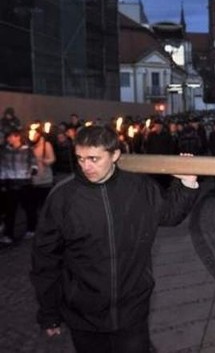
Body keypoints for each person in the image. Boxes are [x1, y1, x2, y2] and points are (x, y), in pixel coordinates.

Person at [30, 125, 200, 353]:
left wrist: (186, 182)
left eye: (94, 158)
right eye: (80, 158)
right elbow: (45, 260)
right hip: (84, 314)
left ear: (115, 155)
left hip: (132, 310)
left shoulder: (138, 187)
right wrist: (49, 312)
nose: (85, 166)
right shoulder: (63, 197)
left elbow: (169, 215)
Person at [0, 128, 37, 244]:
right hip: (11, 183)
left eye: (11, 137)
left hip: (25, 183)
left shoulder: (27, 150)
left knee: (29, 208)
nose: (8, 139)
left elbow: (33, 163)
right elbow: (3, 167)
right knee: (10, 210)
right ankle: (8, 234)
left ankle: (32, 229)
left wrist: (32, 171)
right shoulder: (5, 151)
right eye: (7, 137)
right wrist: (2, 181)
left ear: (17, 137)